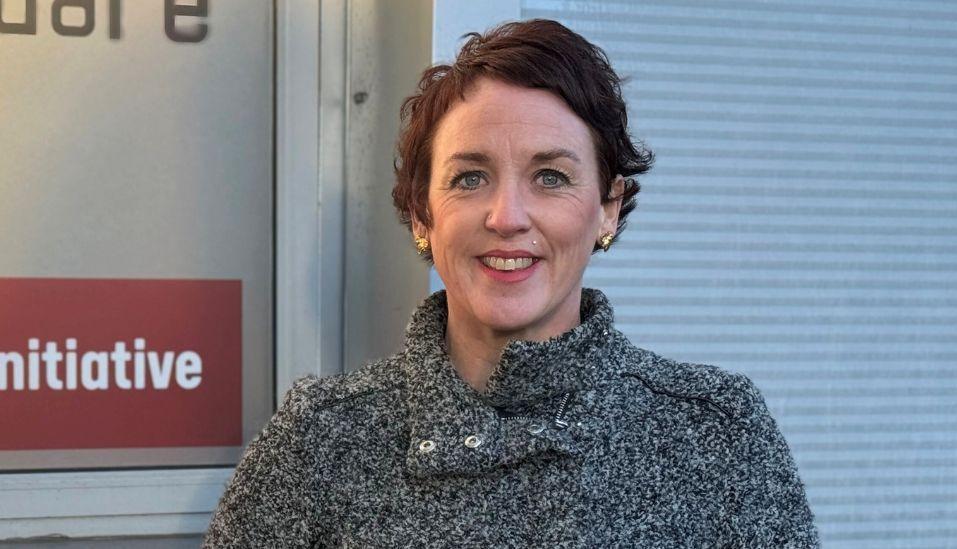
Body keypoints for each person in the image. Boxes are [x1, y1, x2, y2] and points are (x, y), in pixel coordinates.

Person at [203, 18, 819, 548]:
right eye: (470, 179)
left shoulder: (717, 436)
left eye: (550, 177)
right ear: (423, 214)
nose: (506, 217)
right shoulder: (319, 441)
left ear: (608, 205)